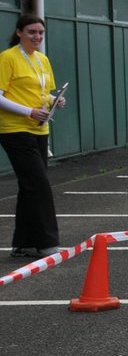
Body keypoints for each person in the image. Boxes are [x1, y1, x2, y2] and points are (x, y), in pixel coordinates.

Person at [0, 15, 66, 259]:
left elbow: (43, 92)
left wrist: (54, 100)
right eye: (31, 32)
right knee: (39, 185)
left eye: (40, 32)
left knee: (29, 186)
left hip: (40, 128)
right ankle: (47, 243)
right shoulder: (7, 58)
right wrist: (28, 111)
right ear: (19, 33)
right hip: (15, 129)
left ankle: (24, 243)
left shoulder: (42, 59)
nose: (37, 37)